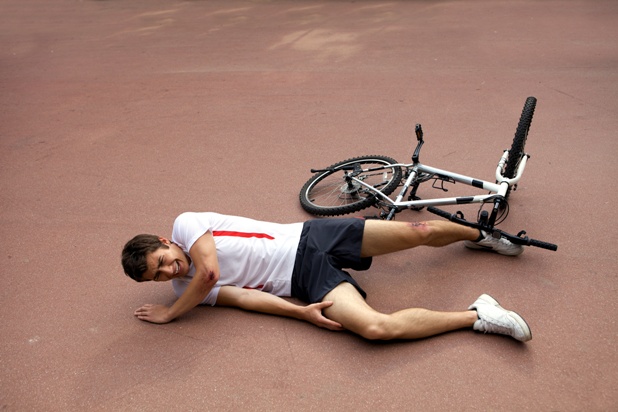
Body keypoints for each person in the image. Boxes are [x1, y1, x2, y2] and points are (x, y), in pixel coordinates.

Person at [121, 212, 532, 342]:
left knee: (417, 233)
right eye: (158, 276)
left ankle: (483, 235)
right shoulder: (187, 290)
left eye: (162, 259)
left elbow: (209, 272)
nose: (168, 270)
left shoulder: (187, 225)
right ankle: (478, 314)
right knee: (375, 328)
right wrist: (301, 314)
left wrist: (172, 313)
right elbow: (244, 299)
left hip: (311, 235)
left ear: (165, 241)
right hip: (305, 280)